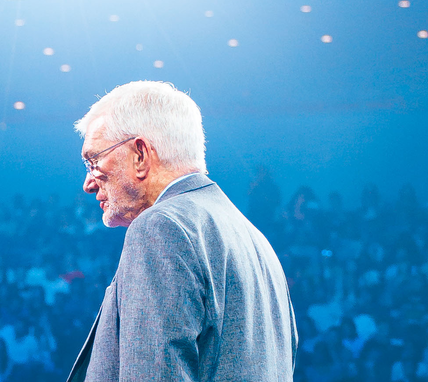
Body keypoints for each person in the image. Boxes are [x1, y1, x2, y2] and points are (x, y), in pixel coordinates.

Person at [66, 81, 298, 382]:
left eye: (93, 161)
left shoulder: (159, 228)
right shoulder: (254, 239)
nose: (88, 183)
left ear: (140, 155)